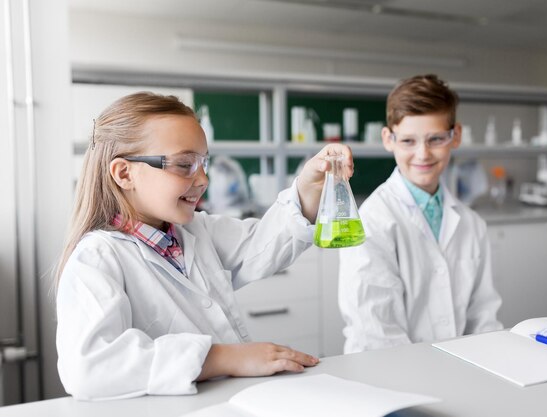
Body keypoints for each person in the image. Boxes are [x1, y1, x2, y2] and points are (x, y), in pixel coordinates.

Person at [55, 92, 353, 400]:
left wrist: (307, 186)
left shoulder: (195, 230)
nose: (203, 179)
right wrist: (223, 358)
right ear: (124, 173)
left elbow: (262, 245)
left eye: (203, 163)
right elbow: (89, 367)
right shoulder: (97, 258)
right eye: (184, 164)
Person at [338, 74, 502, 354]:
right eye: (408, 141)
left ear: (456, 136)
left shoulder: (472, 224)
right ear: (389, 139)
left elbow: (483, 318)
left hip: (461, 372)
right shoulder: (372, 220)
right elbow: (376, 330)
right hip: (389, 373)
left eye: (435, 139)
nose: (423, 154)